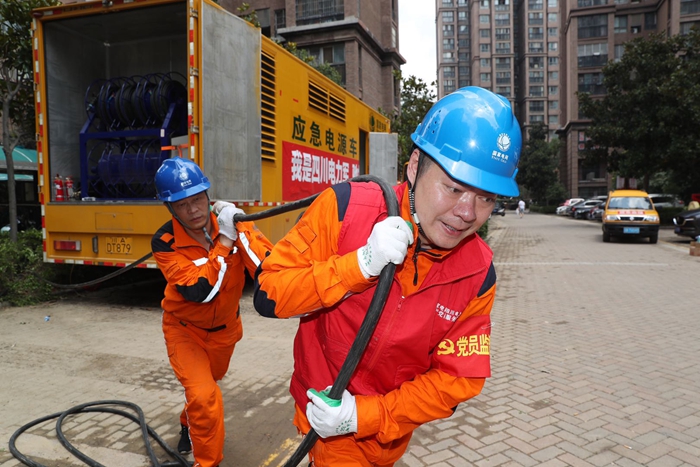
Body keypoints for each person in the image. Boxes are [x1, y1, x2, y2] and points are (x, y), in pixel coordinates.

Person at [253, 86, 522, 466]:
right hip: (323, 418)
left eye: (486, 198)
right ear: (414, 166)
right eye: (454, 188)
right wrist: (359, 265)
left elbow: (456, 379)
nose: (468, 213)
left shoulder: (477, 273)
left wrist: (363, 416)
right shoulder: (347, 208)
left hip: (388, 434)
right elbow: (269, 293)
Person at [151, 157, 272, 467]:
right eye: (182, 204)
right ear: (170, 208)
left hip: (225, 334)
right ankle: (207, 463)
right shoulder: (164, 243)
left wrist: (241, 229)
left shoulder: (233, 223)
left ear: (208, 196)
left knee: (203, 392)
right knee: (205, 397)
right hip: (184, 330)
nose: (193, 210)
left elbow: (268, 269)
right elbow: (198, 291)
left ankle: (187, 421)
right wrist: (225, 243)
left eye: (197, 199)